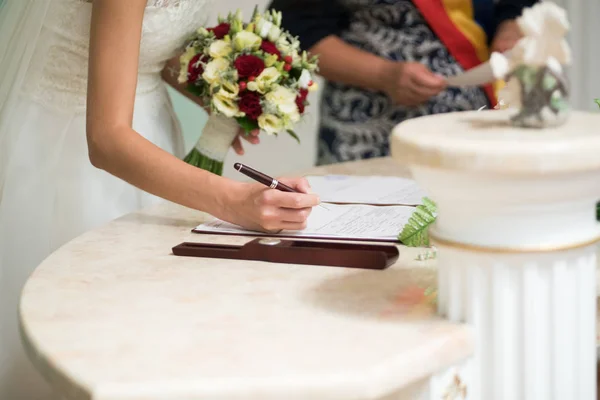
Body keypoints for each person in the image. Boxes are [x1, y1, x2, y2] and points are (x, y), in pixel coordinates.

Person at [0, 0, 319, 398]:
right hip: (68, 150)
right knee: (94, 335)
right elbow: (105, 141)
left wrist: (224, 96)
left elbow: (146, 47)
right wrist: (234, 201)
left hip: (150, 131)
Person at [268, 0, 538, 165]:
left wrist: (511, 25)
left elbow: (518, 3)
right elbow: (294, 29)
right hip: (369, 131)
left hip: (477, 117)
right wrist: (384, 75)